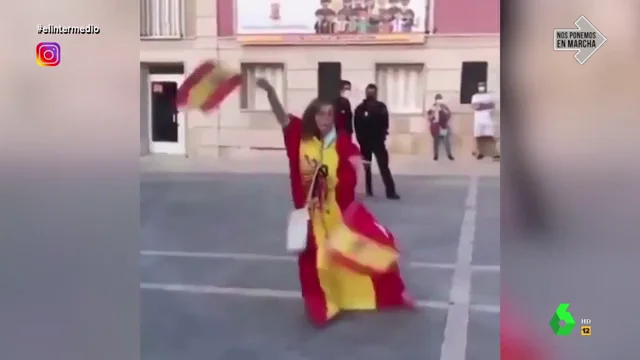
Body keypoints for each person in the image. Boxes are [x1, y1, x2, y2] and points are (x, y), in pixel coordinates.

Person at [254, 77, 412, 326]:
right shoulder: (298, 137)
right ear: (312, 117)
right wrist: (271, 91)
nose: (325, 119)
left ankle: (390, 294)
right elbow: (281, 115)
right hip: (310, 217)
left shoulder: (340, 142)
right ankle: (321, 305)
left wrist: (357, 177)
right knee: (315, 264)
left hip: (336, 215)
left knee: (372, 248)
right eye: (320, 115)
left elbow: (355, 165)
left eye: (329, 115)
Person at [354, 84, 400, 199]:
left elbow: (357, 126)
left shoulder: (363, 108)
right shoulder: (369, 108)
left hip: (372, 142)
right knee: (380, 167)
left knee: (374, 167)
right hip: (373, 142)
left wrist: (361, 139)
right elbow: (385, 124)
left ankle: (372, 191)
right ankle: (388, 192)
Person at [471, 82, 500, 160]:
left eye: (483, 86)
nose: (481, 88)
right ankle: (479, 152)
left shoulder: (488, 96)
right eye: (480, 86)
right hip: (478, 120)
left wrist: (481, 105)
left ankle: (495, 153)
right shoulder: (475, 96)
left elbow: (492, 106)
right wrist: (486, 105)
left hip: (488, 119)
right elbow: (475, 107)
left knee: (490, 137)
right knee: (478, 137)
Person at [427, 94, 454, 161]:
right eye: (438, 99)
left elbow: (449, 114)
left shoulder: (444, 106)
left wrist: (443, 109)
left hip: (443, 126)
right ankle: (435, 155)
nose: (439, 101)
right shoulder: (432, 107)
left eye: (440, 99)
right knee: (435, 141)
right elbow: (429, 117)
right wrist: (433, 112)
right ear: (435, 100)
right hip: (435, 127)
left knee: (446, 141)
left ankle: (449, 154)